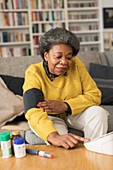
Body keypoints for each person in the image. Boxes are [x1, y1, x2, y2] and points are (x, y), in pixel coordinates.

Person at [23, 27, 109, 149]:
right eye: (58, 56)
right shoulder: (34, 72)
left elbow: (94, 95)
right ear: (46, 55)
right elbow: (32, 110)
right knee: (65, 144)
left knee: (98, 113)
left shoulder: (77, 64)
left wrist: (65, 106)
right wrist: (54, 136)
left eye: (68, 57)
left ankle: (94, 152)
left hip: (74, 112)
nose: (64, 62)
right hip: (50, 116)